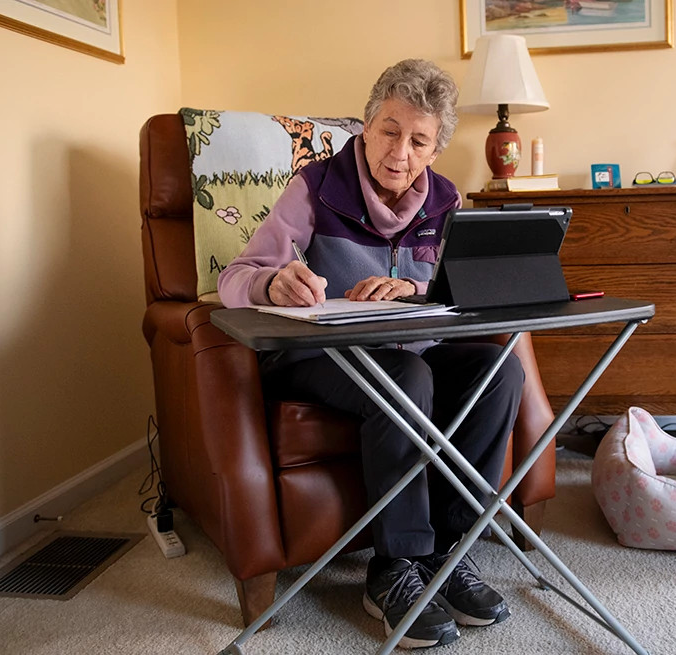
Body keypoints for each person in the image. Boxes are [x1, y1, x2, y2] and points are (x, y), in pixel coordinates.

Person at [217, 59, 520, 649]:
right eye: (389, 130)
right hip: (324, 357)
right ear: (367, 124)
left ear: (435, 150)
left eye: (418, 141)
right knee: (407, 375)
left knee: (497, 371)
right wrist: (272, 284)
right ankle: (393, 568)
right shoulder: (316, 186)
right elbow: (237, 276)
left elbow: (457, 289)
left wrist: (413, 289)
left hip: (414, 351)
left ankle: (447, 551)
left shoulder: (446, 200)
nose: (399, 153)